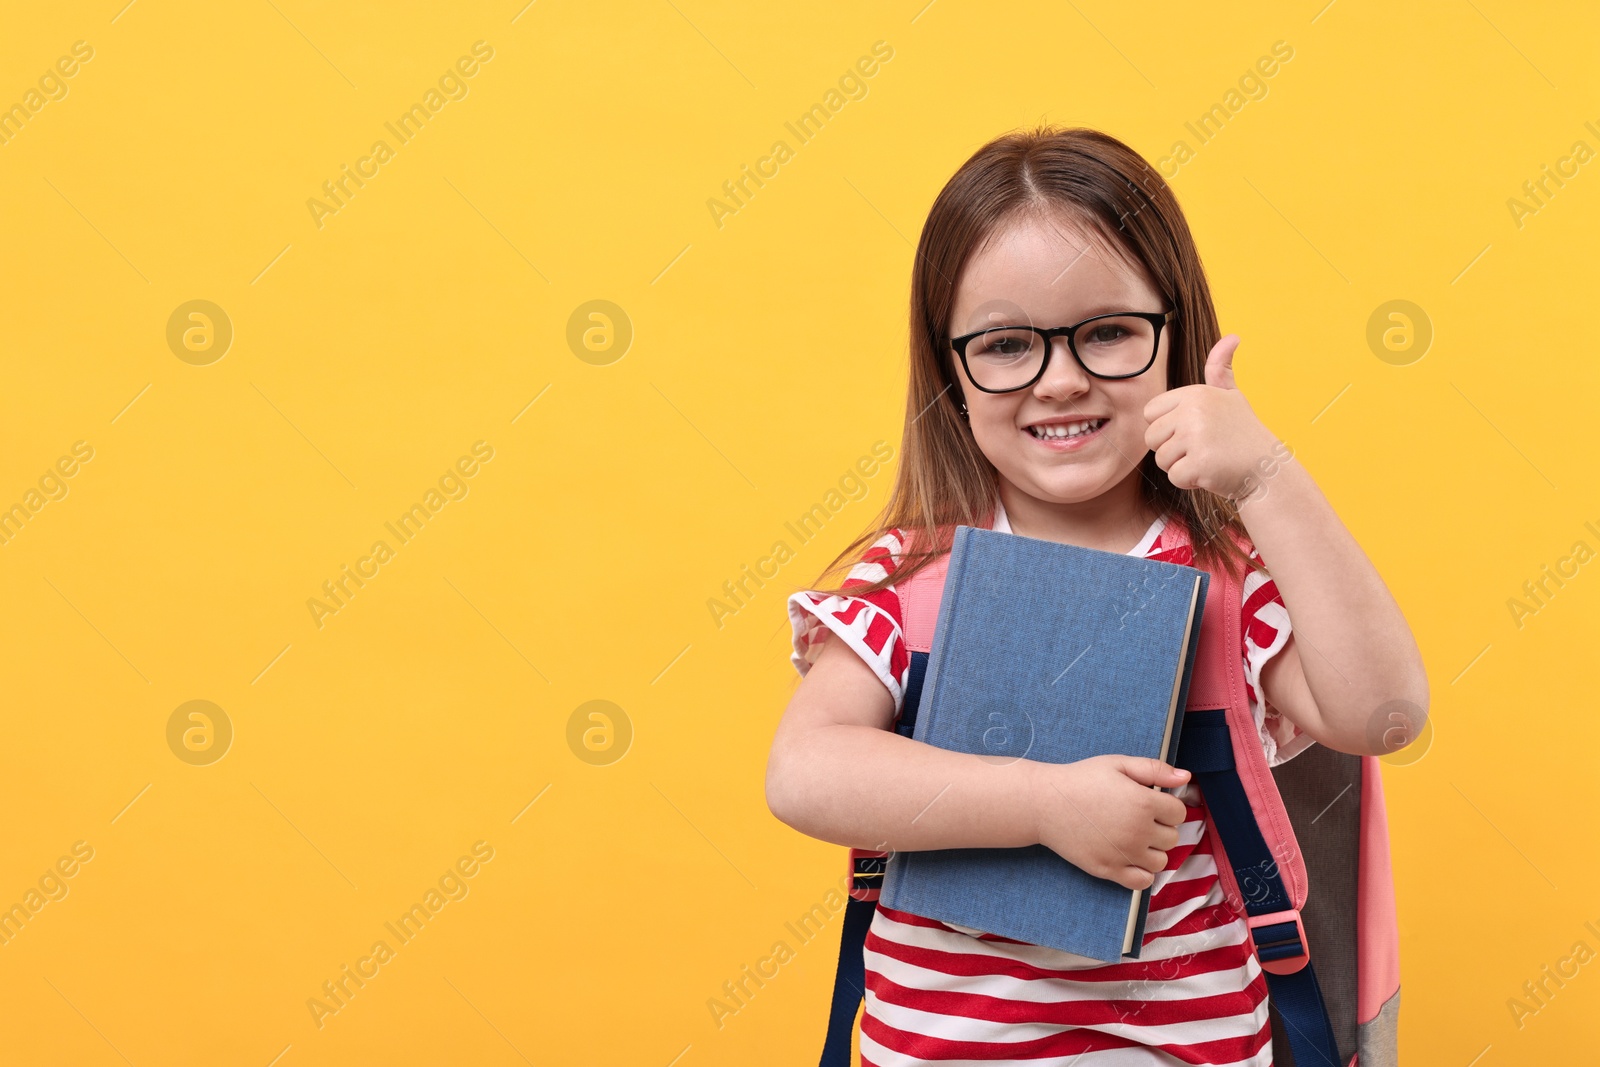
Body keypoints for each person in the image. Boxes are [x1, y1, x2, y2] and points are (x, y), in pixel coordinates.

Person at [764, 125, 1428, 1066]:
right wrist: (1043, 804)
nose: (1062, 378)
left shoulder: (1224, 581)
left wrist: (1268, 479)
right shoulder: (910, 579)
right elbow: (803, 772)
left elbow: (1386, 715)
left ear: (1175, 336)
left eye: (1109, 331)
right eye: (1005, 344)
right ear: (952, 373)